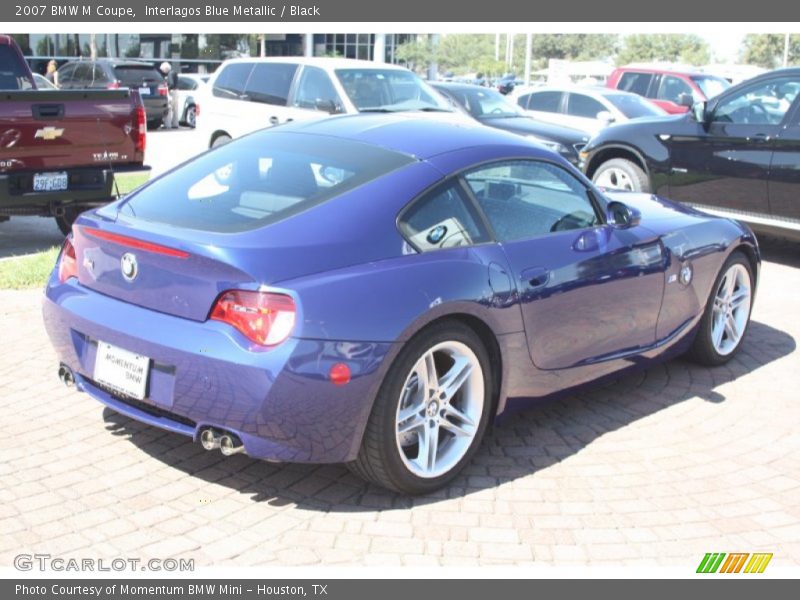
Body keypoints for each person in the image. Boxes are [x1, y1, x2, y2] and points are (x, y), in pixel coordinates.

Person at [159, 61, 180, 129]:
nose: (163, 72)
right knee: (175, 109)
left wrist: (167, 88)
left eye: (163, 70)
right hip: (176, 91)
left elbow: (171, 84)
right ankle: (175, 124)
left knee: (169, 108)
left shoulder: (170, 74)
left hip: (171, 92)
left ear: (165, 69)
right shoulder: (174, 73)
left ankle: (168, 125)